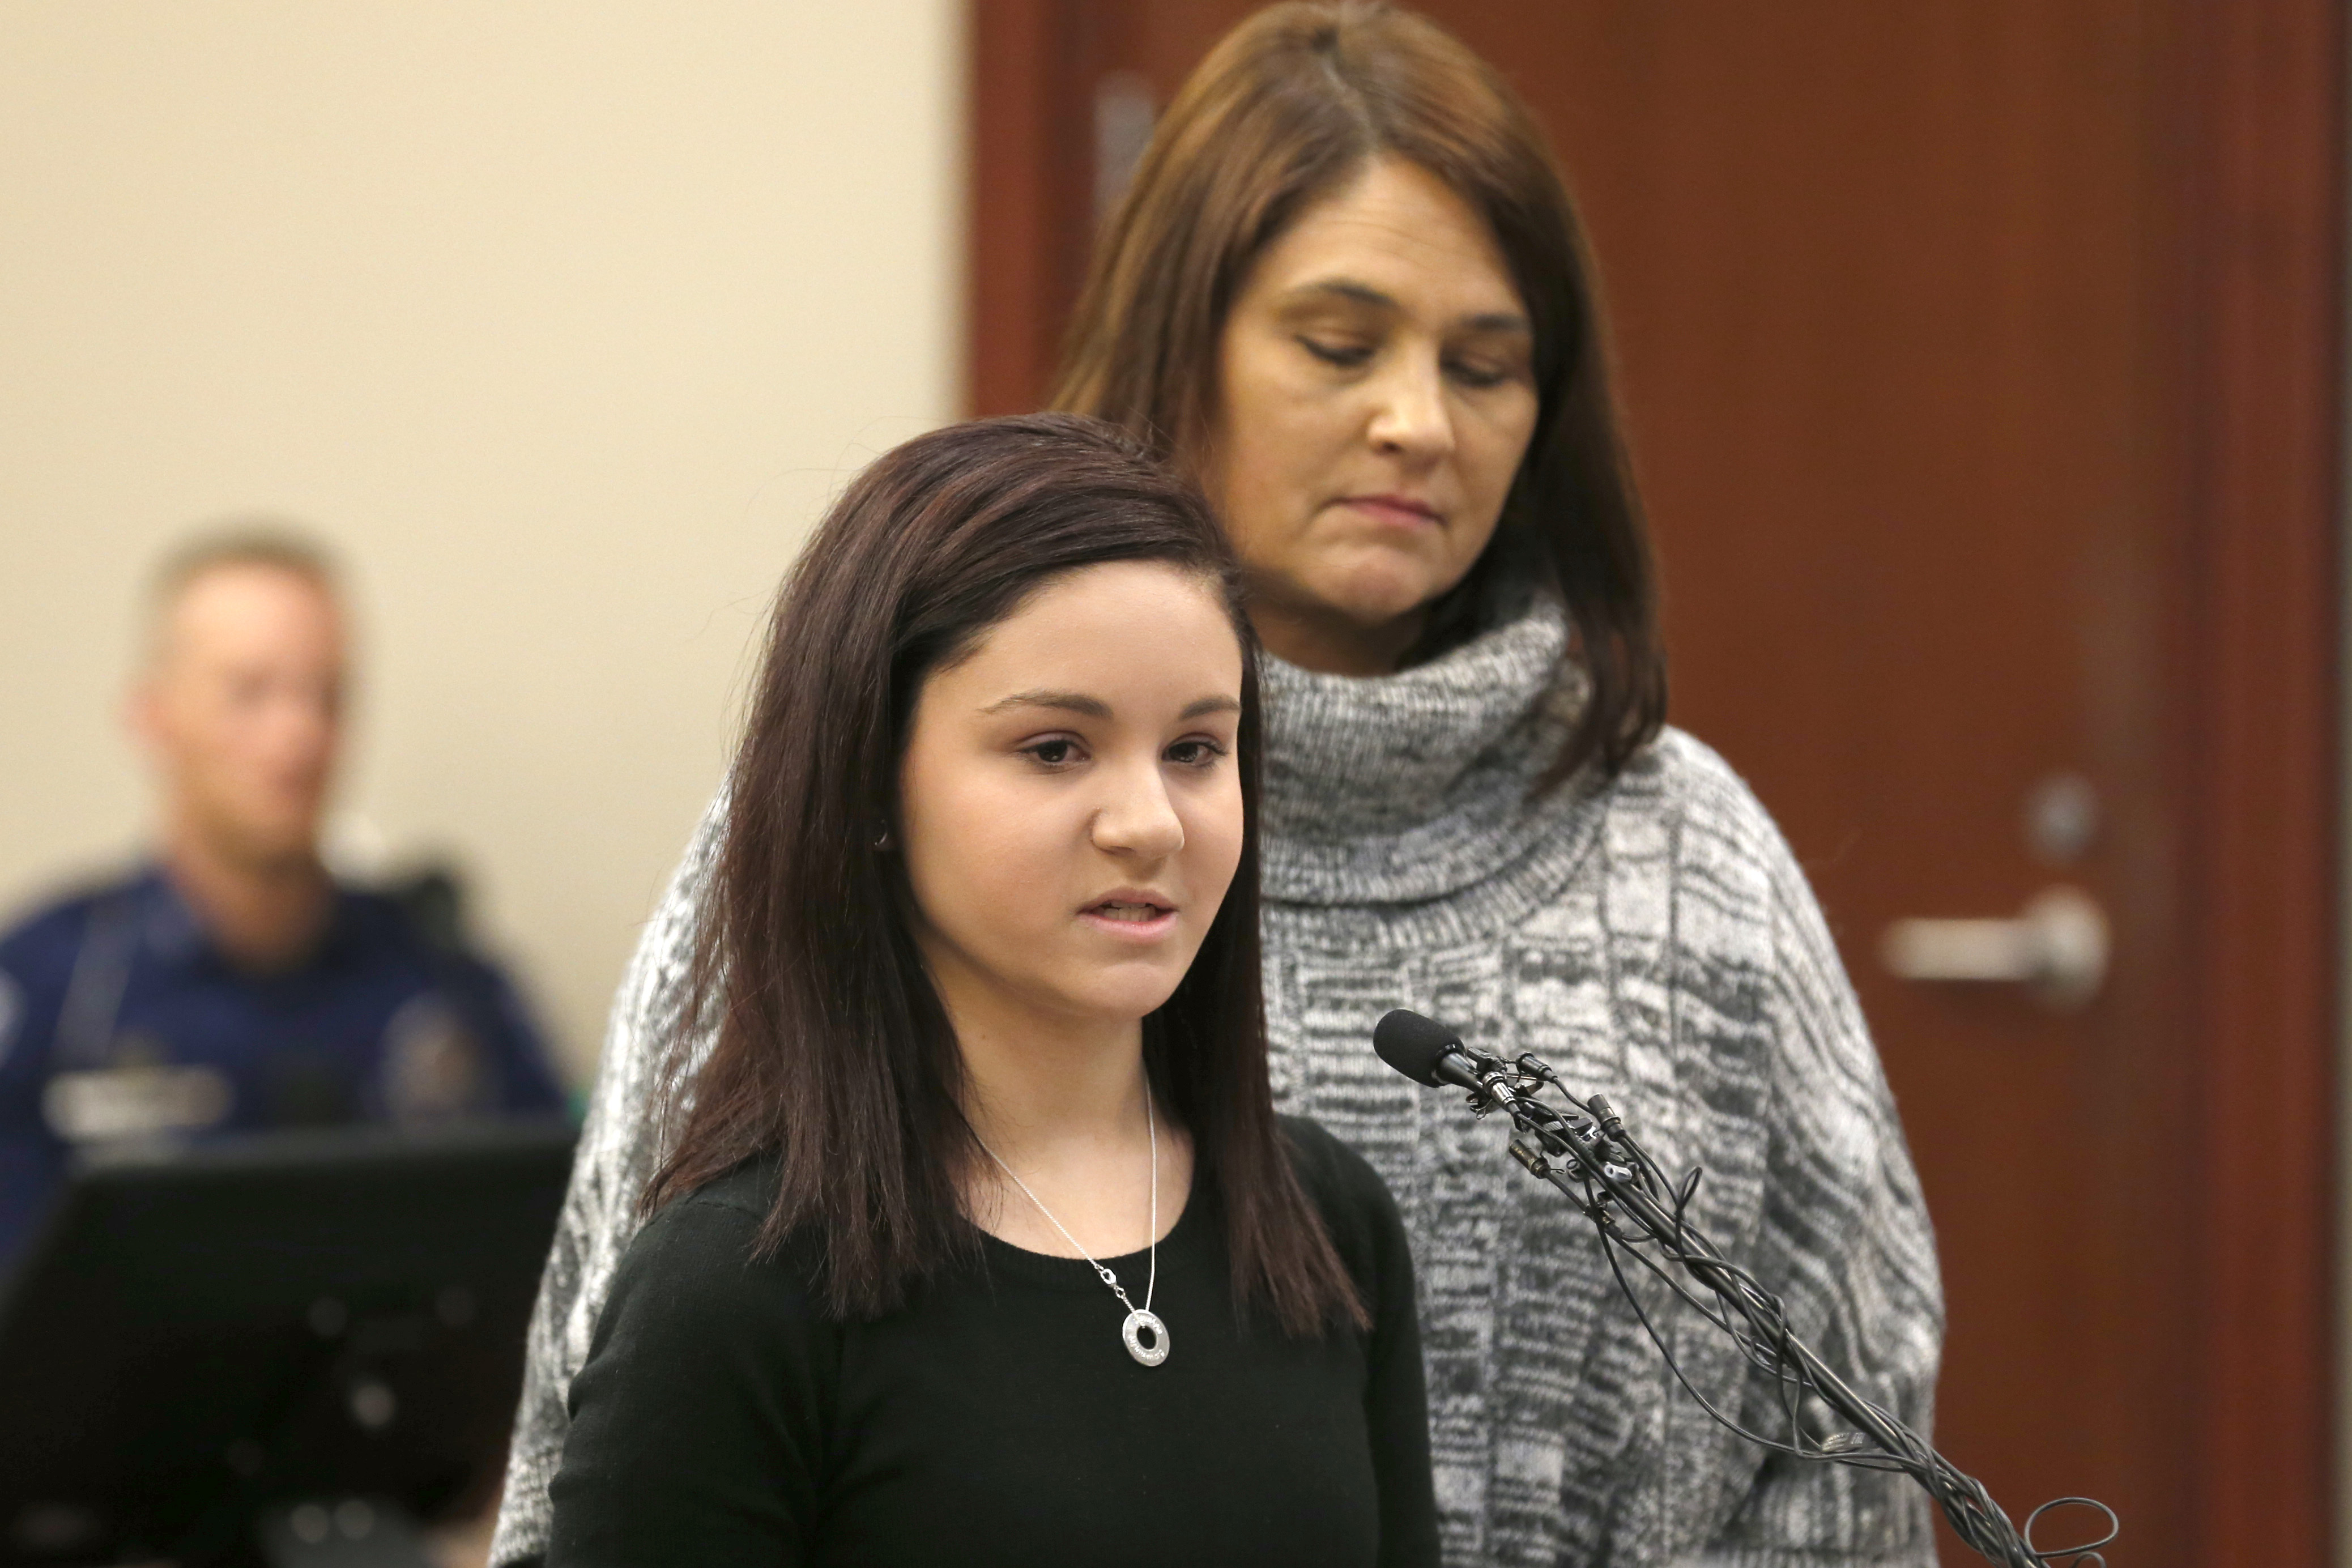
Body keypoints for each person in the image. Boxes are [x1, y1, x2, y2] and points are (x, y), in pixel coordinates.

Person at [496, 6, 1943, 1565]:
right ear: (1183, 341)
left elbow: (1848, 1424)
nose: (1419, 420)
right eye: (1340, 343)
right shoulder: (848, 824)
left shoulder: (1689, 853)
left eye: (1487, 364)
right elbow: (605, 1391)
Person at [544, 415, 1436, 1566]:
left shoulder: (1331, 1224)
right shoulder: (734, 1293)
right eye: (1056, 748)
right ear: (869, 781)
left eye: (1197, 749)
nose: (1151, 823)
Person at [0, 529, 565, 1268]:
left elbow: (562, 1245)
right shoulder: (55, 987)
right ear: (152, 715)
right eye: (249, 692)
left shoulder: (441, 981)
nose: (298, 735)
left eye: (326, 694)